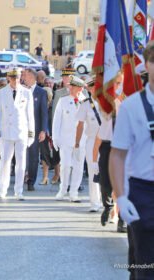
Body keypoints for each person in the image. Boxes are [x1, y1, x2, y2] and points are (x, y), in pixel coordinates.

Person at [109, 42, 154, 280]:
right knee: (145, 262)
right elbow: (117, 154)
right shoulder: (131, 107)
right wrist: (122, 196)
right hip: (142, 191)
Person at [0, 69, 35, 200]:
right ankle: (3, 189)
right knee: (5, 162)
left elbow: (30, 115)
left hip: (21, 132)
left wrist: (31, 134)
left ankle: (19, 190)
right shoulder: (0, 93)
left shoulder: (27, 93)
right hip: (6, 132)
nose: (15, 80)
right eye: (12, 77)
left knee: (21, 163)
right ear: (8, 78)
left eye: (17, 77)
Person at [93, 73, 126, 231]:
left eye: (121, 83)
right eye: (116, 83)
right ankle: (107, 206)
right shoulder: (106, 103)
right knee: (105, 182)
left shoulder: (129, 102)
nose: (118, 86)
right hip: (106, 146)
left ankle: (122, 220)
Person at [52, 75, 86, 202]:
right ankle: (63, 190)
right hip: (65, 139)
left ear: (79, 88)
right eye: (70, 86)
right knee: (65, 165)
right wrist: (55, 138)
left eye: (72, 86)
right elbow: (57, 121)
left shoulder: (86, 101)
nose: (69, 88)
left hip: (81, 141)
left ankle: (74, 192)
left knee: (78, 167)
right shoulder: (63, 100)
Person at [75, 77, 102, 212]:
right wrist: (77, 143)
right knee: (93, 172)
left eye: (96, 86)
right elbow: (80, 125)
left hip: (108, 141)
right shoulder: (85, 104)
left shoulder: (108, 102)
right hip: (91, 141)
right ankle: (95, 203)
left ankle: (108, 201)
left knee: (108, 173)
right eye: (91, 87)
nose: (94, 89)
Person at [23, 68, 48, 191]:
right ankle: (20, 178)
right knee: (20, 155)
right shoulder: (20, 91)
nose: (23, 78)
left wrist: (43, 130)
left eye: (25, 76)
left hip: (35, 130)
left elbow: (44, 113)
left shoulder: (41, 92)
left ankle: (31, 181)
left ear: (32, 77)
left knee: (33, 157)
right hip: (21, 129)